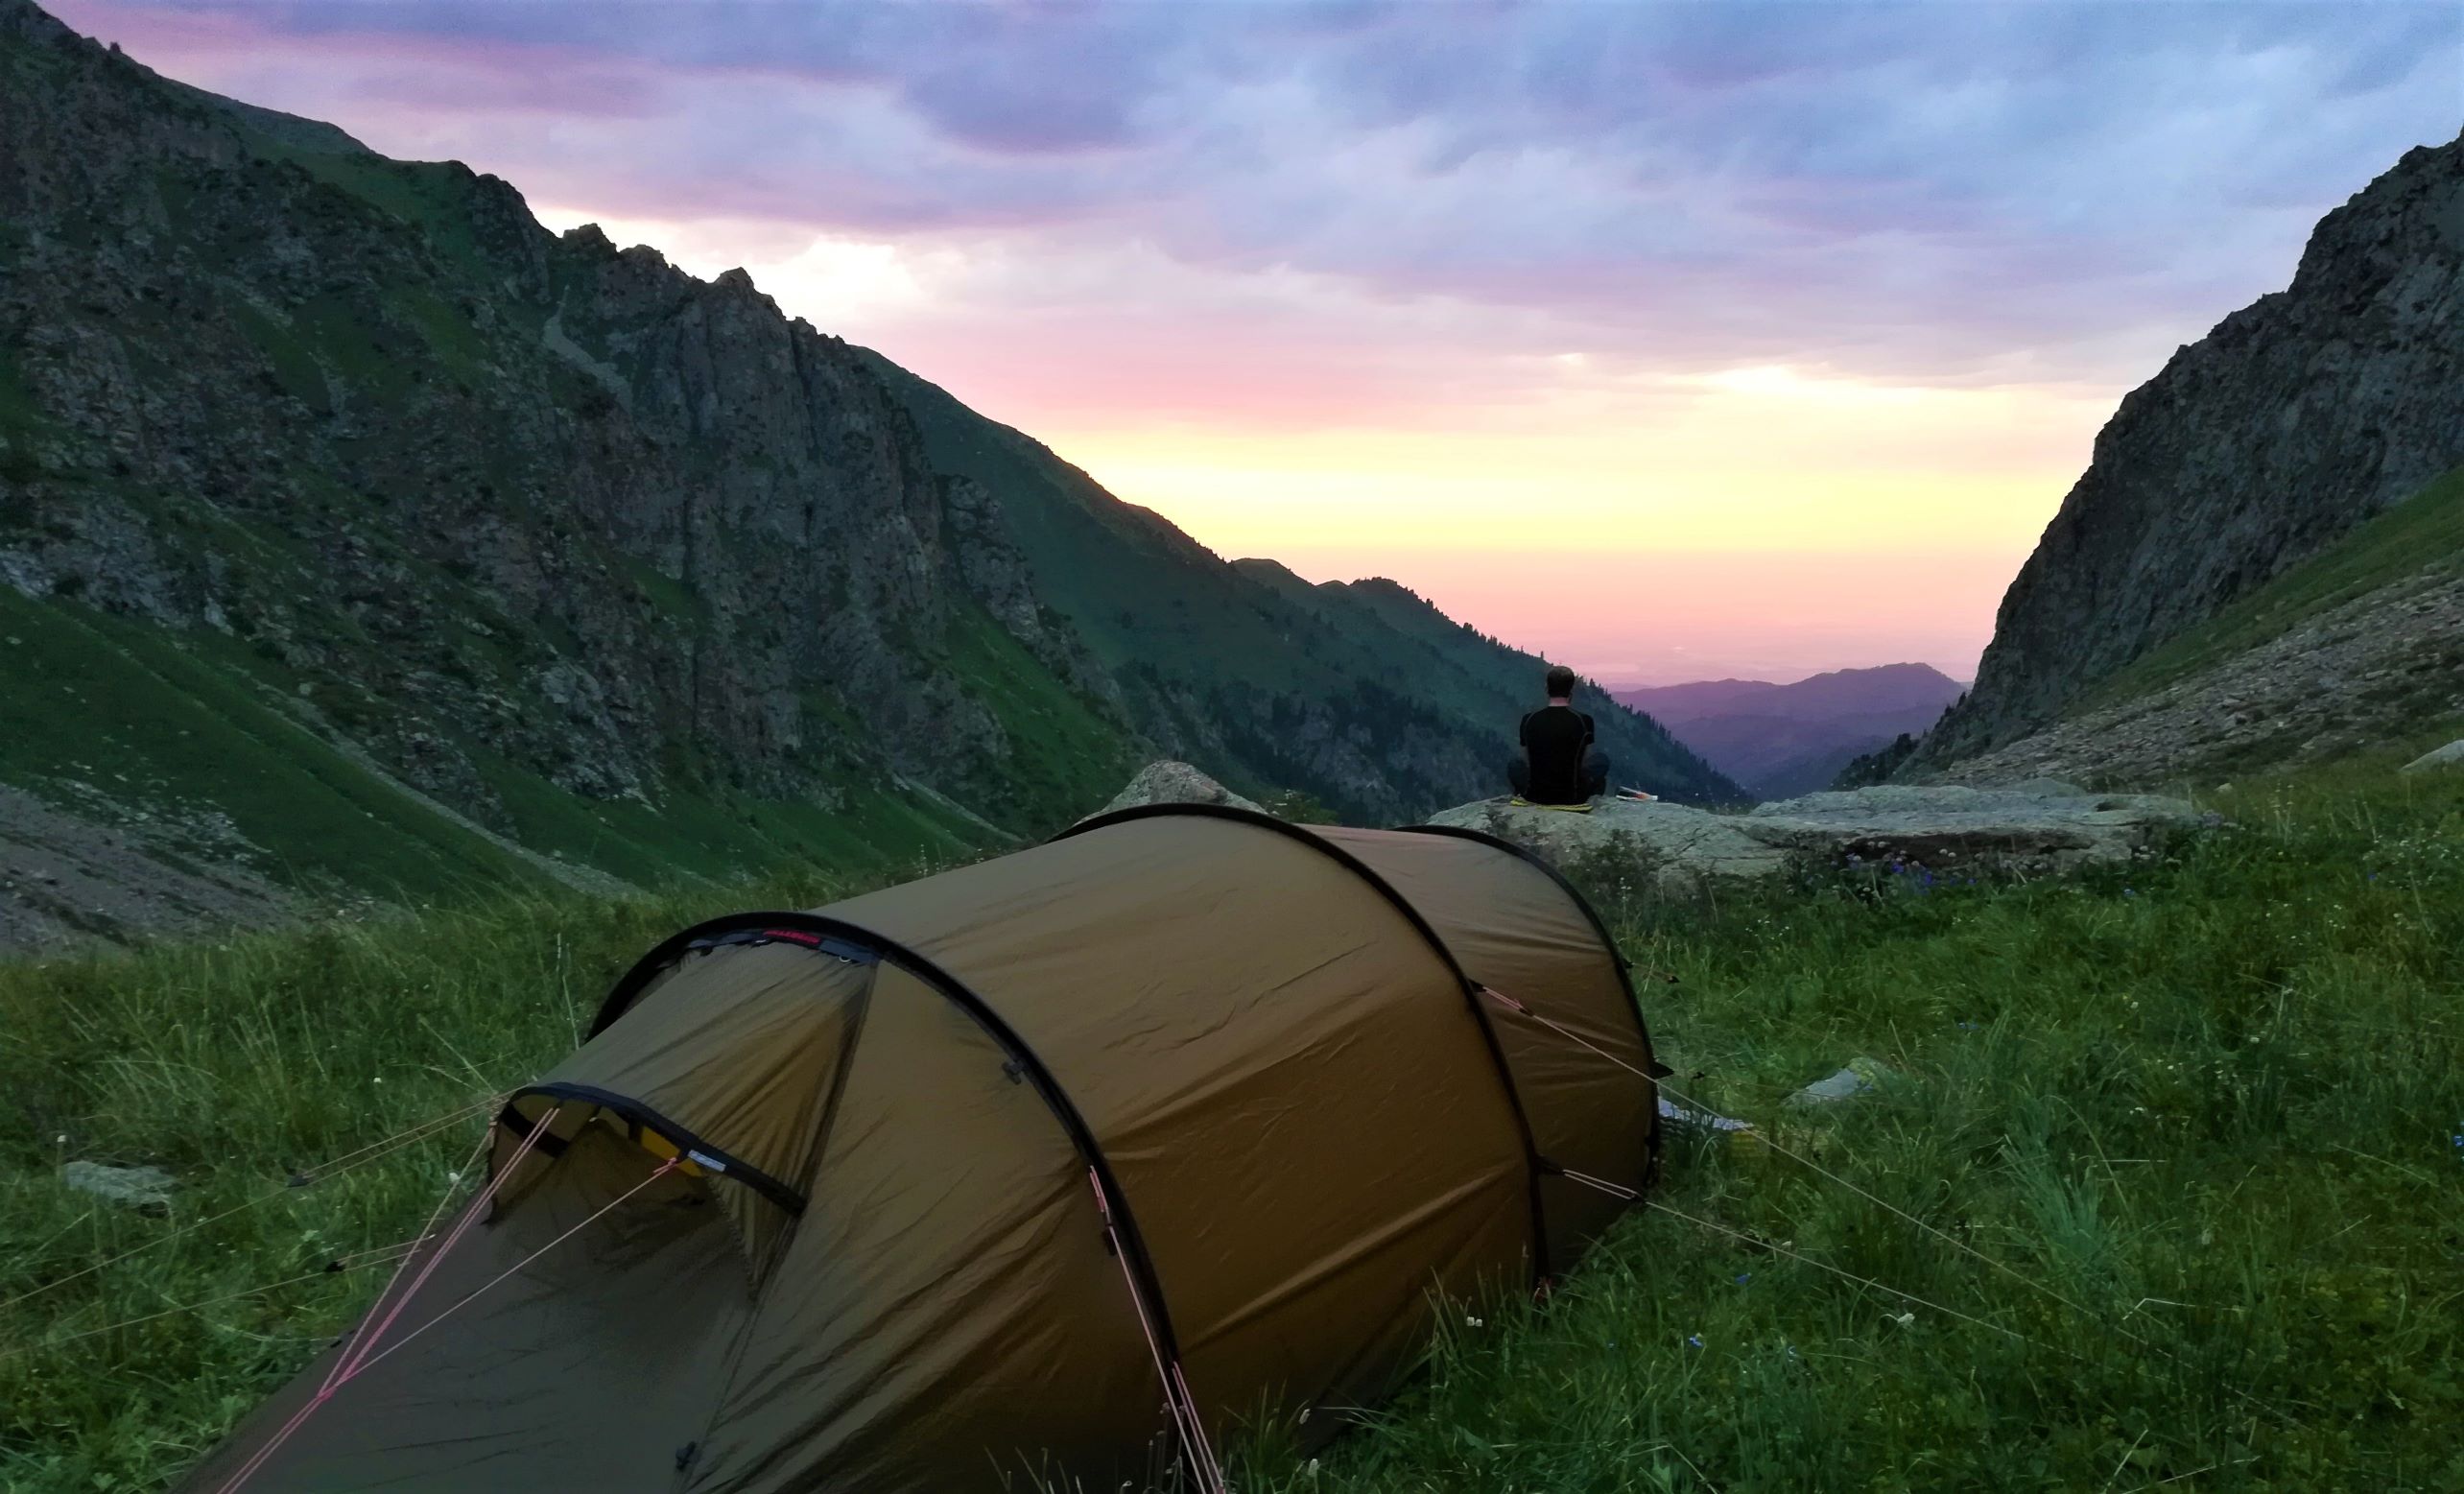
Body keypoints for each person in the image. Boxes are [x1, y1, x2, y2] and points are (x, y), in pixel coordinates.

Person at [1509, 664, 1609, 804]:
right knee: (1601, 760)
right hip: (1572, 796)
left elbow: (1527, 757)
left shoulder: (1529, 719)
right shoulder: (1584, 721)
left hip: (1534, 794)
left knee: (1514, 764)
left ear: (1547, 689)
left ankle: (1523, 793)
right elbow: (1583, 758)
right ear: (1571, 691)